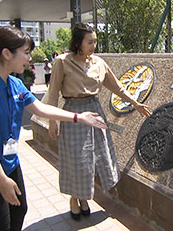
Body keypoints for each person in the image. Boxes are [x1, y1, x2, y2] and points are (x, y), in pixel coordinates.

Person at [0, 26, 107, 231]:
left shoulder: (14, 83)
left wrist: (78, 117)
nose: (29, 58)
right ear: (6, 53)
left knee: (19, 211)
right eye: (26, 53)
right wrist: (2, 180)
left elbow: (40, 108)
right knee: (0, 224)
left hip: (10, 163)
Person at [46, 23, 151, 221]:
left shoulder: (99, 63)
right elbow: (53, 93)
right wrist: (52, 121)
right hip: (73, 114)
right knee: (76, 160)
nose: (93, 45)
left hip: (94, 111)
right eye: (89, 42)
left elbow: (118, 88)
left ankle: (84, 198)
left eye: (95, 41)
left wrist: (136, 103)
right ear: (78, 42)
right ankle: (74, 199)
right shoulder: (62, 62)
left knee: (93, 158)